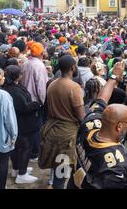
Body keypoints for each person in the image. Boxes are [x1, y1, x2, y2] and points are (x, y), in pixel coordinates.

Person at [39, 55, 86, 189]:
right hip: (66, 136)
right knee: (63, 174)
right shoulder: (74, 87)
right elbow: (81, 116)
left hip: (53, 130)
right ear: (72, 67)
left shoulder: (52, 83)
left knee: (59, 172)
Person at [3, 65, 40, 184]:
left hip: (15, 123)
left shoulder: (7, 88)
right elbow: (23, 107)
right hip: (22, 123)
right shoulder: (15, 90)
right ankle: (22, 174)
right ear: (17, 76)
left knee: (16, 147)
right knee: (25, 147)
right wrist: (36, 105)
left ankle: (17, 169)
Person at [0, 67, 17, 189]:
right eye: (2, 75)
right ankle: (1, 186)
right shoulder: (3, 96)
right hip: (2, 136)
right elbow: (10, 119)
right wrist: (13, 135)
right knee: (3, 162)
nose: (4, 78)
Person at [20, 42, 48, 161]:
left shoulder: (26, 62)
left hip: (25, 99)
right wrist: (44, 102)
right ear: (41, 53)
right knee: (36, 128)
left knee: (28, 128)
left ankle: (30, 152)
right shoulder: (39, 66)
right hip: (35, 102)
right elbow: (41, 88)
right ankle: (34, 153)